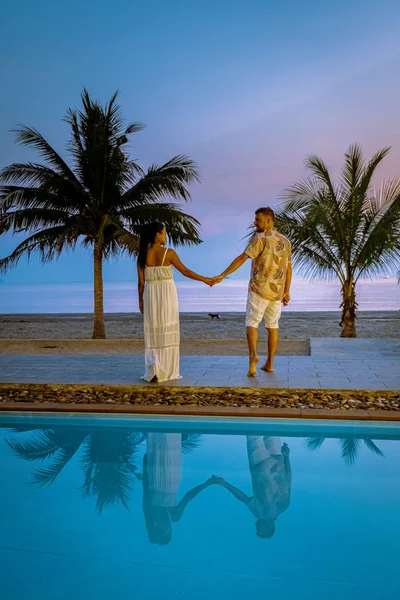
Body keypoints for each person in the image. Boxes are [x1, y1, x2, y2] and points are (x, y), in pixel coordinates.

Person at [213, 207, 292, 376]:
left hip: (259, 289)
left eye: (258, 220)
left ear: (269, 220)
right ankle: (270, 363)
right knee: (273, 326)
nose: (255, 223)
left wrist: (223, 274)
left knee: (251, 323)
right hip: (277, 292)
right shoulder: (285, 241)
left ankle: (253, 357)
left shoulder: (259, 238)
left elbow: (243, 257)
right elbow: (288, 269)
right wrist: (286, 291)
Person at [137, 222, 214, 383]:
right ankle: (166, 371)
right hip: (166, 295)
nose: (166, 236)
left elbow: (141, 283)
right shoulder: (168, 253)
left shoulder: (142, 255)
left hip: (150, 296)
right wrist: (205, 280)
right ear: (158, 235)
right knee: (167, 328)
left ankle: (154, 368)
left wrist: (141, 301)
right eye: (164, 233)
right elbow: (185, 271)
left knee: (154, 331)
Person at [140, 433, 216, 545]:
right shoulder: (154, 514)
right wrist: (206, 483)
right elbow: (145, 488)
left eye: (169, 532)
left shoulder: (164, 515)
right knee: (166, 449)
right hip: (160, 479)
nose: (170, 530)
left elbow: (189, 496)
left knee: (167, 449)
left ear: (166, 533)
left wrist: (207, 484)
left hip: (166, 481)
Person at [213, 437, 291, 539]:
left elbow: (288, 480)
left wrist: (225, 484)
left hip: (266, 462)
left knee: (257, 431)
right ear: (268, 527)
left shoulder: (281, 507)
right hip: (268, 460)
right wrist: (286, 457)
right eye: (259, 529)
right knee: (259, 431)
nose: (256, 526)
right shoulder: (267, 511)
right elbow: (288, 480)